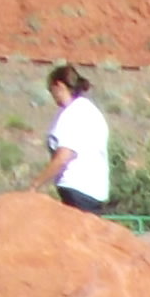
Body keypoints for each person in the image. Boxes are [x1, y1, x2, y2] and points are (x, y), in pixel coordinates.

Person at [42, 63, 112, 216]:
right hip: (95, 190)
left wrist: (36, 185)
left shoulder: (73, 113)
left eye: (51, 90)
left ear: (59, 86)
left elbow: (64, 156)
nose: (52, 95)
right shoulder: (90, 110)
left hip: (77, 190)